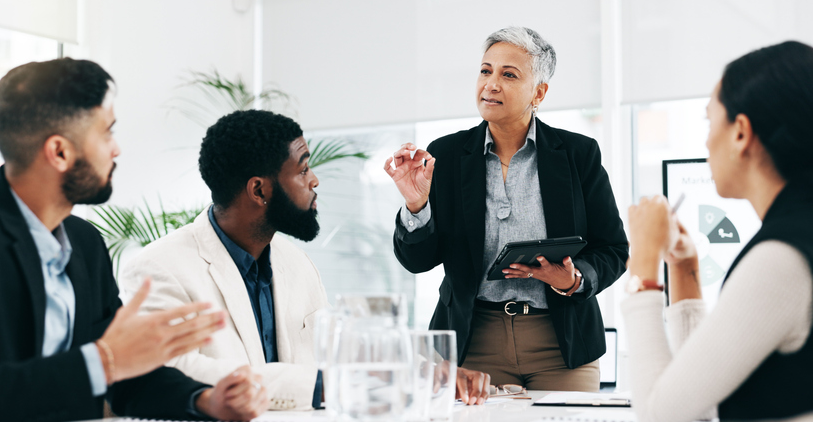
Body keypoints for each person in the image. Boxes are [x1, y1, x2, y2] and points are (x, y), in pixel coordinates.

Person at [0, 58, 269, 421]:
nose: (116, 149)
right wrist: (102, 361)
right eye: (106, 132)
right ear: (60, 152)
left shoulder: (84, 243)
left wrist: (207, 401)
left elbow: (124, 377)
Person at [385, 26, 628, 394]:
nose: (491, 84)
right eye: (486, 71)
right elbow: (418, 261)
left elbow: (613, 249)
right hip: (473, 339)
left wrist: (573, 279)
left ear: (539, 92)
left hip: (560, 342)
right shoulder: (447, 155)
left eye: (508, 74)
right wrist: (416, 204)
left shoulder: (579, 154)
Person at [624, 41, 813, 421]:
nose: (706, 141)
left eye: (710, 122)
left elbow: (660, 415)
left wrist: (642, 267)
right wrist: (683, 267)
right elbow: (705, 388)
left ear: (741, 132)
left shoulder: (779, 261)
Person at [120, 110, 328, 410]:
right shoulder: (158, 268)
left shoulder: (298, 263)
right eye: (303, 169)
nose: (314, 180)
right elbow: (172, 370)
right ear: (259, 190)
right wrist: (315, 386)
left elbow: (333, 355)